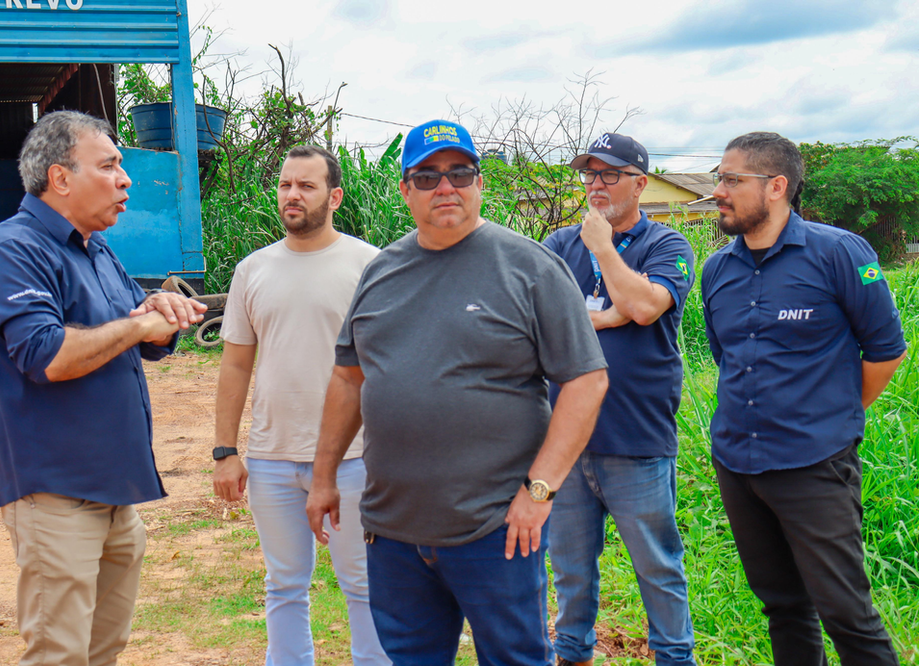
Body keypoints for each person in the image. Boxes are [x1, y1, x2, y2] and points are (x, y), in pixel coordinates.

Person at [306, 119, 610, 666]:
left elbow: (587, 380)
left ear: (478, 183)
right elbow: (349, 377)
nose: (445, 187)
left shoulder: (530, 268)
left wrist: (538, 492)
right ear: (405, 190)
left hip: (496, 530)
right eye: (426, 176)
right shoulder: (381, 272)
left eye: (459, 173)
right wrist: (324, 475)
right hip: (393, 532)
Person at [0, 110, 206, 666]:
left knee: (103, 650)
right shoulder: (13, 250)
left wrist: (158, 310)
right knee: (61, 655)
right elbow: (46, 355)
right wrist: (135, 324)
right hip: (57, 494)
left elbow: (139, 334)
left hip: (114, 493)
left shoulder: (96, 248)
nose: (125, 179)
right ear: (60, 177)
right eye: (110, 165)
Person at [702, 131, 907, 666]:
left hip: (814, 466)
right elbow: (729, 359)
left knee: (847, 615)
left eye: (730, 179)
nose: (718, 190)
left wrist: (830, 416)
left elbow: (885, 350)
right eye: (718, 177)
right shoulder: (717, 271)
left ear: (776, 186)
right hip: (738, 464)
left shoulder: (837, 253)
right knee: (783, 607)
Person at [212, 145, 389, 666]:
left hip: (355, 459)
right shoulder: (253, 269)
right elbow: (236, 365)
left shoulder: (368, 264)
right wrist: (226, 449)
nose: (292, 194)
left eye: (306, 185)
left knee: (363, 584)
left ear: (334, 196)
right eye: (287, 184)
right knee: (284, 585)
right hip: (270, 458)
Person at [542, 133, 697, 666]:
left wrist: (605, 249)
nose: (595, 185)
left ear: (640, 181)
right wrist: (613, 315)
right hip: (565, 441)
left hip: (636, 438)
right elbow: (541, 319)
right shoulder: (560, 246)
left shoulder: (668, 246)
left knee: (657, 566)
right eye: (589, 174)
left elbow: (646, 306)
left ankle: (674, 657)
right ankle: (572, 654)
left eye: (608, 174)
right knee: (570, 569)